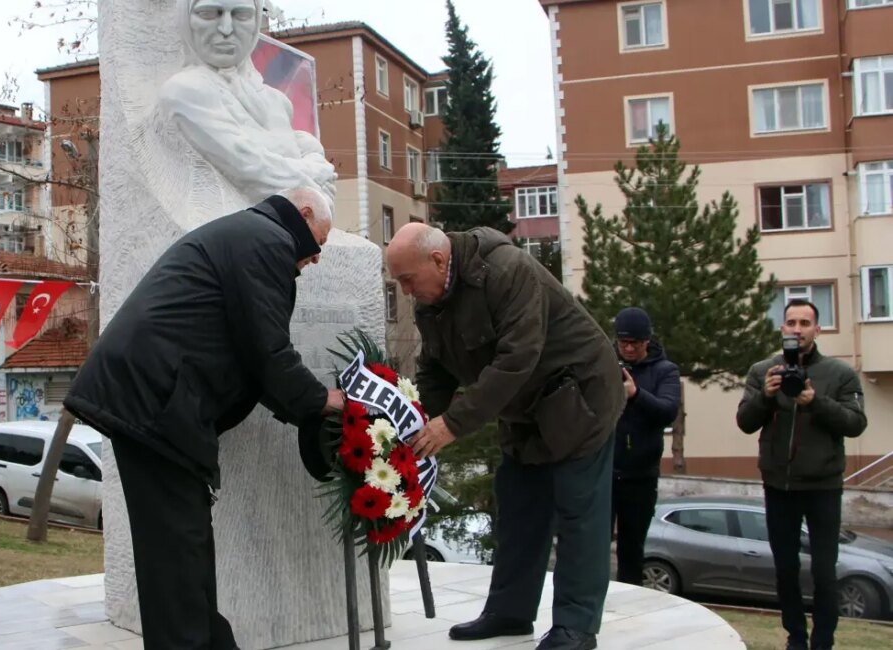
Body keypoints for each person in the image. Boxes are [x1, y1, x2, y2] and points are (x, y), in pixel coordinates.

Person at [63, 186, 345, 650]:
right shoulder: (267, 241)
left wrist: (301, 403)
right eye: (318, 244)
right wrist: (322, 401)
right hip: (155, 403)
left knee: (183, 546)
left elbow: (249, 353)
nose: (314, 259)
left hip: (155, 400)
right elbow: (268, 352)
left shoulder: (250, 234)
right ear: (304, 213)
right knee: (176, 554)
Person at [387, 223, 626, 650]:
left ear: (439, 261)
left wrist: (453, 424)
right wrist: (412, 422)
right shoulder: (431, 300)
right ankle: (510, 612)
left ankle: (576, 627)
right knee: (518, 507)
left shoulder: (506, 269)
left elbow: (518, 357)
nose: (406, 292)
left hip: (579, 396)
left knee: (578, 513)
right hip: (525, 409)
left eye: (408, 279)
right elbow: (435, 370)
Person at [736, 299, 867, 650]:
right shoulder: (763, 370)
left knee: (824, 572)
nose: (797, 329)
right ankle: (796, 636)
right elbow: (745, 422)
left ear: (817, 329)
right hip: (779, 485)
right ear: (782, 329)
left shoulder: (840, 374)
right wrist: (765, 396)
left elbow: (856, 424)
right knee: (785, 570)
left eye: (805, 323)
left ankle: (823, 641)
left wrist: (815, 401)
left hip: (823, 487)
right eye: (791, 322)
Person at [156, 0, 337, 201]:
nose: (226, 29)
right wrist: (314, 176)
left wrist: (311, 168)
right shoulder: (184, 90)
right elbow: (249, 166)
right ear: (187, 20)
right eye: (208, 14)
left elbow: (308, 154)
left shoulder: (277, 101)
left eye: (241, 15)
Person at [608, 307, 681, 585]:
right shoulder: (606, 364)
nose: (627, 348)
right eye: (622, 342)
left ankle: (630, 603)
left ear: (646, 341)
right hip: (604, 471)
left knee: (631, 550)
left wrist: (636, 394)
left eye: (634, 344)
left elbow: (667, 411)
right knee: (593, 544)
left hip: (640, 476)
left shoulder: (665, 371)